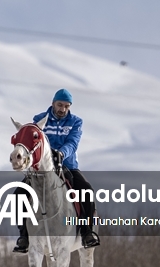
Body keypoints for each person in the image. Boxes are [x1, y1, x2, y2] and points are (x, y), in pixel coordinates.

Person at [14, 89, 100, 253]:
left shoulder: (76, 122)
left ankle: (87, 232)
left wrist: (60, 153)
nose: (62, 109)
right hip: (41, 169)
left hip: (67, 165)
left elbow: (73, 143)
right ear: (53, 103)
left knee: (87, 191)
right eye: (60, 105)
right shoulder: (39, 120)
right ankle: (24, 236)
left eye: (66, 106)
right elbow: (35, 142)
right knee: (18, 195)